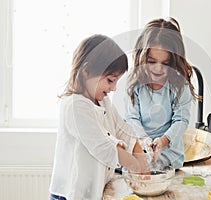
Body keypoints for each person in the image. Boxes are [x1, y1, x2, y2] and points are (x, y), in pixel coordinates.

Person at [49, 34, 148, 200]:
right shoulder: (75, 106)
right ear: (86, 71)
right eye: (110, 80)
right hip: (71, 194)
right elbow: (103, 148)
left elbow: (122, 129)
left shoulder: (102, 102)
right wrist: (135, 165)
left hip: (93, 189)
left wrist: (141, 157)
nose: (114, 88)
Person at [125, 17, 201, 170]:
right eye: (152, 62)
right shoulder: (135, 83)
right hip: (141, 145)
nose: (158, 69)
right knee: (122, 163)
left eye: (165, 64)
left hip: (169, 152)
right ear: (141, 58)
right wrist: (144, 140)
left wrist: (162, 142)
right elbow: (132, 118)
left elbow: (181, 121)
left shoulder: (180, 85)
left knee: (149, 167)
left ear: (173, 62)